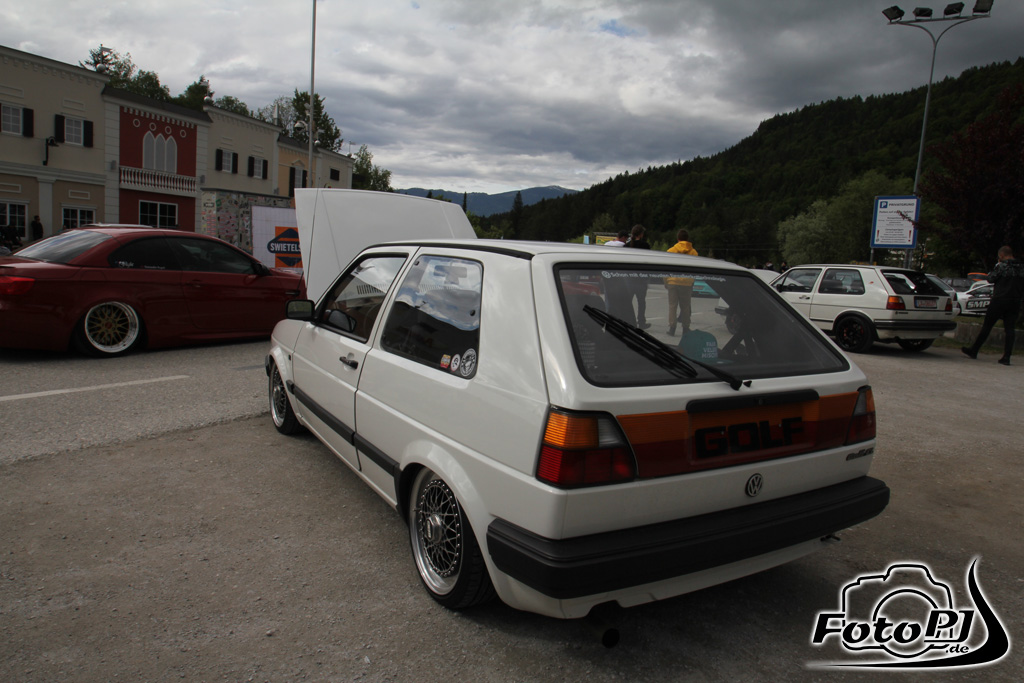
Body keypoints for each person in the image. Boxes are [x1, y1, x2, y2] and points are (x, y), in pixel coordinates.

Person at [961, 246, 1024, 366]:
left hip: (999, 299)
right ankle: (1006, 357)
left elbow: (990, 279)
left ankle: (974, 350)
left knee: (987, 325)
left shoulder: (1001, 266)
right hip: (1015, 301)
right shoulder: (1021, 267)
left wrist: (996, 266)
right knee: (1010, 329)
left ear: (1001, 255)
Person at [665, 229, 698, 336]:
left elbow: (665, 269)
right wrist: (692, 280)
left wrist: (666, 281)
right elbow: (695, 269)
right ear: (687, 239)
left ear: (678, 238)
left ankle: (672, 328)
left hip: (673, 281)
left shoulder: (670, 251)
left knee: (672, 306)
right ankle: (685, 328)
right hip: (687, 282)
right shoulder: (694, 253)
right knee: (685, 307)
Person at [625, 224, 651, 329]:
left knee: (627, 301)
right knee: (641, 302)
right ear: (641, 234)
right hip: (641, 278)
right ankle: (641, 321)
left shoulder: (626, 246)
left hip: (629, 278)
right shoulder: (645, 246)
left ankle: (627, 320)